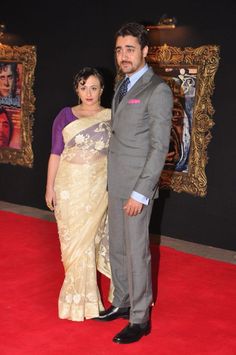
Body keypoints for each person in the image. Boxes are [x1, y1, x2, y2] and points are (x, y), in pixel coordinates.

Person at [94, 23, 173, 344]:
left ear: (144, 51)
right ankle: (123, 302)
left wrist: (141, 192)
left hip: (137, 187)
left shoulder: (158, 90)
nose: (123, 55)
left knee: (136, 252)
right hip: (115, 182)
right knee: (118, 247)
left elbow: (158, 147)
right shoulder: (123, 85)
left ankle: (140, 319)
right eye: (118, 49)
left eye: (129, 49)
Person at [45, 67, 112, 321]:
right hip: (68, 187)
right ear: (77, 89)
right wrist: (50, 186)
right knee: (72, 245)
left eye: (94, 87)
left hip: (97, 189)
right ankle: (79, 302)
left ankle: (89, 303)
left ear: (102, 90)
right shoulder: (65, 115)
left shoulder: (111, 117)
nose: (89, 93)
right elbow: (55, 153)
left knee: (89, 242)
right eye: (84, 87)